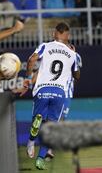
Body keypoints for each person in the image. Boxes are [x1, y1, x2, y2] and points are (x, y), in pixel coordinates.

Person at [21, 22, 81, 170]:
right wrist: (74, 62)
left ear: (54, 33)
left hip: (42, 89)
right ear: (68, 36)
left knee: (38, 119)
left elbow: (31, 60)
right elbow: (77, 75)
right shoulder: (73, 54)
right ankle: (41, 158)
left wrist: (28, 78)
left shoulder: (45, 46)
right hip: (60, 92)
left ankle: (31, 141)